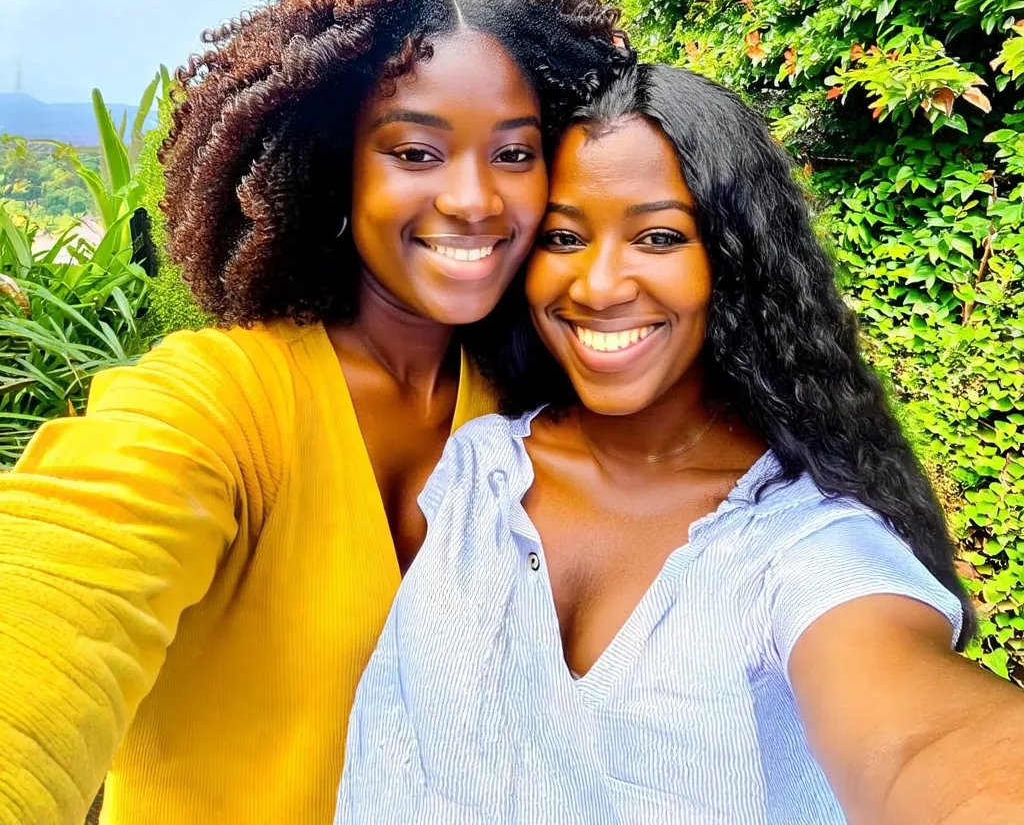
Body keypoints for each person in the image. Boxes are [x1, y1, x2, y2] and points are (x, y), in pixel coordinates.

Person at [0, 0, 631, 825]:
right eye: (415, 151)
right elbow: (52, 595)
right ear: (339, 169)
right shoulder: (218, 402)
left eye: (514, 153)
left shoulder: (533, 398)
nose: (476, 198)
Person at [337, 63, 1024, 824]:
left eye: (659, 237)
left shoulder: (801, 544)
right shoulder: (473, 471)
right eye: (564, 236)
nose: (598, 286)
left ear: (733, 261)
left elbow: (922, 741)